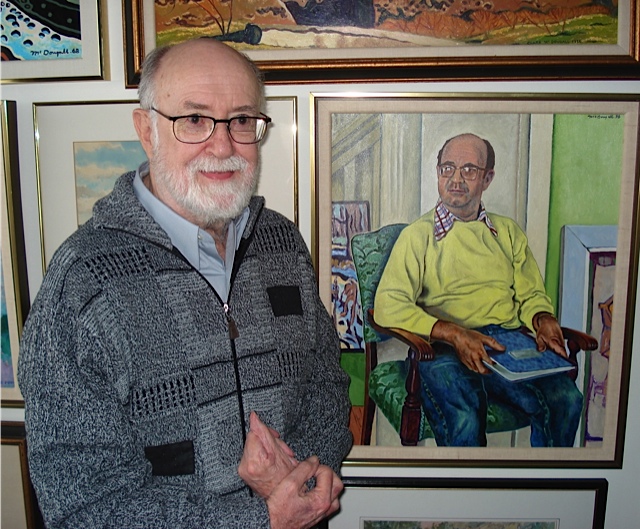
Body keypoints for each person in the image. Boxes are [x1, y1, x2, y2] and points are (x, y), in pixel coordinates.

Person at [18, 39, 352, 529]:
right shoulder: (81, 283)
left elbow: (326, 380)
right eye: (194, 120)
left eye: (241, 120)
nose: (223, 146)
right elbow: (85, 506)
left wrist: (304, 476)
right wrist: (260, 517)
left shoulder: (279, 240)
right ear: (146, 130)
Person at [374, 132, 582, 447]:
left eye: (469, 170)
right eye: (447, 169)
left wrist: (542, 318)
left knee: (566, 400)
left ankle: (545, 490)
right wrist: (454, 334)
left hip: (504, 345)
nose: (455, 179)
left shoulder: (508, 232)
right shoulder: (418, 236)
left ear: (487, 179)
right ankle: (465, 496)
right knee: (465, 419)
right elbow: (389, 304)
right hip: (442, 348)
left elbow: (530, 294)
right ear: (438, 173)